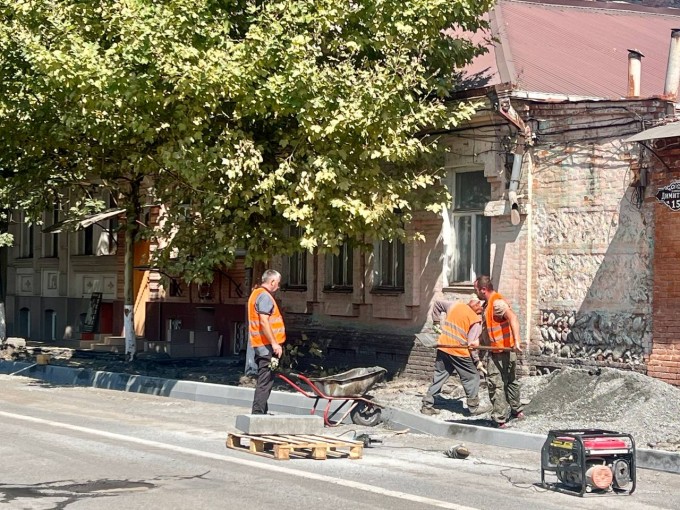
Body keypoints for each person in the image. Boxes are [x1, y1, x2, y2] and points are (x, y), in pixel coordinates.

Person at [421, 300, 491, 417]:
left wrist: (436, 322)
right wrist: (477, 361)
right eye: (481, 310)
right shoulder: (475, 320)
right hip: (459, 351)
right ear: (479, 308)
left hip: (443, 347)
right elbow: (471, 345)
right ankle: (474, 408)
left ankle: (427, 405)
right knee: (472, 377)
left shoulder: (455, 305)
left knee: (440, 375)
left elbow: (437, 304)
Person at [474, 275, 524, 428]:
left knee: (496, 384)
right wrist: (477, 343)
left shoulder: (496, 303)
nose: (475, 293)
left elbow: (513, 318)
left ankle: (499, 419)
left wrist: (517, 341)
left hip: (502, 352)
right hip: (500, 350)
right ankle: (517, 411)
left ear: (483, 289)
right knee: (510, 381)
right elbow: (487, 331)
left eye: (475, 289)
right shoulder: (487, 306)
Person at [247, 269, 286, 414]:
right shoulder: (265, 297)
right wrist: (275, 343)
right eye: (278, 283)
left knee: (266, 379)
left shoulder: (255, 294)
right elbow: (264, 322)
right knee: (265, 380)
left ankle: (262, 411)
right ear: (272, 282)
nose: (279, 286)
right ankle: (257, 414)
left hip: (260, 345)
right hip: (267, 346)